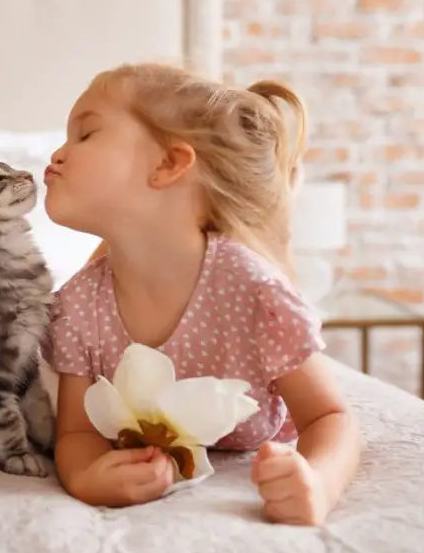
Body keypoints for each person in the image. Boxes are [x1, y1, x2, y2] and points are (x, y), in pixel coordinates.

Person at [41, 62, 361, 525]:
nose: (57, 153)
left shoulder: (252, 291)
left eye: (86, 135)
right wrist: (88, 476)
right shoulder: (77, 306)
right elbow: (75, 433)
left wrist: (318, 483)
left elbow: (330, 417)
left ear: (169, 164)